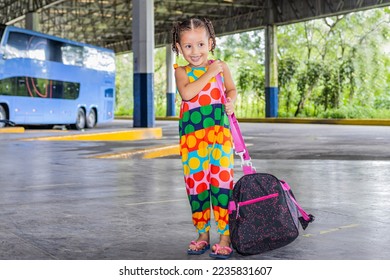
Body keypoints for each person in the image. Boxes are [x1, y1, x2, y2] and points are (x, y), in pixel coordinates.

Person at [171, 18, 237, 259]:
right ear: (178, 48)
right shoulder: (181, 72)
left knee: (222, 186)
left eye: (200, 44)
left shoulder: (221, 66)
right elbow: (187, 94)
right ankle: (202, 234)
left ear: (210, 43)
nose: (195, 51)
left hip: (220, 136)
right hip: (192, 141)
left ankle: (225, 235)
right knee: (196, 186)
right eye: (188, 46)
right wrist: (210, 72)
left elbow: (231, 89)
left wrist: (232, 101)